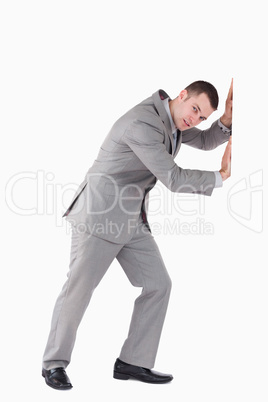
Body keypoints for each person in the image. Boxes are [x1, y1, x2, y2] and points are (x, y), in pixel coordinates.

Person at [42, 80, 233, 389]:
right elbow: (173, 177)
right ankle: (53, 363)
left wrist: (226, 119)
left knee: (159, 284)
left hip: (129, 218)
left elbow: (207, 141)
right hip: (99, 216)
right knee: (78, 290)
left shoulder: (172, 120)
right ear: (181, 95)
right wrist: (220, 177)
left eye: (201, 118)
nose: (194, 119)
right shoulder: (143, 123)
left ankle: (133, 361)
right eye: (194, 110)